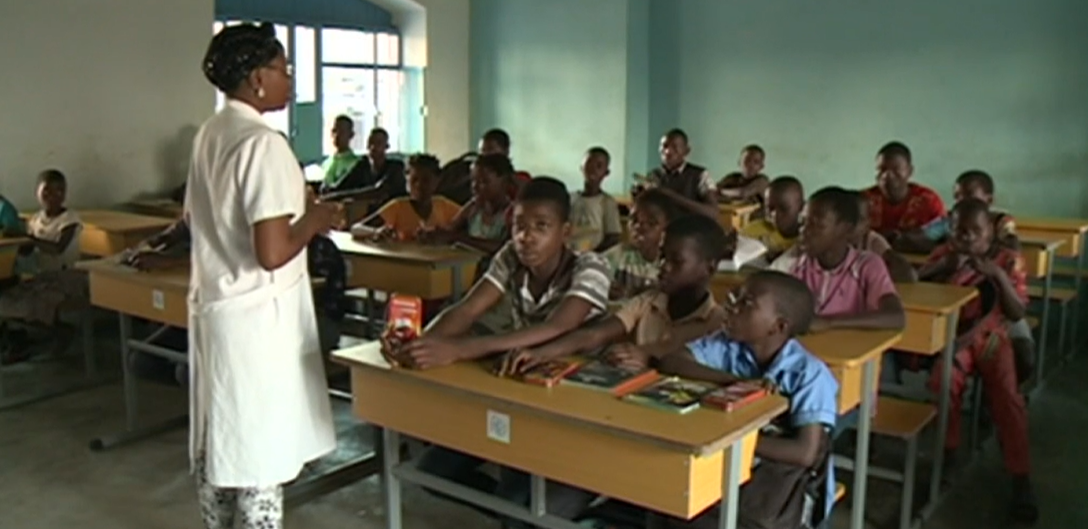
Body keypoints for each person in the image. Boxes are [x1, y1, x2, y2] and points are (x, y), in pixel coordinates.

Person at [385, 177, 611, 523]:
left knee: (524, 506)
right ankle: (521, 511)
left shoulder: (591, 267)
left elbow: (557, 326)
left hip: (579, 407)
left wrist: (459, 350)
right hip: (521, 389)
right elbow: (467, 310)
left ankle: (551, 508)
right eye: (519, 226)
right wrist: (419, 344)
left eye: (541, 227)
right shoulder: (510, 257)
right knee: (432, 471)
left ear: (565, 232)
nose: (526, 237)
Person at [188, 23, 341, 529]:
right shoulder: (262, 142)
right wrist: (317, 220)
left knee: (222, 441)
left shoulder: (211, 133)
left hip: (220, 309)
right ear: (257, 78)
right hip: (256, 320)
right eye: (283, 68)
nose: (290, 79)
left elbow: (197, 218)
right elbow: (272, 252)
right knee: (259, 455)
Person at [651, 271, 838, 529]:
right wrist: (734, 383)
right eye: (735, 297)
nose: (732, 306)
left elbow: (804, 453)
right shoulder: (727, 345)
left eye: (746, 303)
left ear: (778, 326)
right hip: (732, 473)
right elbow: (672, 361)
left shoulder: (809, 374)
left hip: (781, 492)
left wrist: (732, 443)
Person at [916, 198, 1037, 523]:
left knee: (1009, 401)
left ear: (990, 234)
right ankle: (948, 454)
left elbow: (1016, 312)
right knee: (942, 384)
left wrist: (996, 274)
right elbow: (915, 289)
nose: (967, 238)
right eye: (959, 231)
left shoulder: (1007, 259)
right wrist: (942, 268)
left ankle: (1020, 475)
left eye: (976, 232)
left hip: (992, 339)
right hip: (955, 340)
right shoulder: (944, 255)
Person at [503, 214, 727, 372]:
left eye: (676, 261)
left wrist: (647, 357)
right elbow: (593, 335)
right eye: (662, 256)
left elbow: (684, 362)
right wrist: (540, 353)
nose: (663, 266)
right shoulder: (647, 302)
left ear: (710, 268)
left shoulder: (719, 323)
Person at [772, 186, 905, 332]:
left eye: (816, 224)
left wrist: (829, 322)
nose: (804, 231)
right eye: (802, 222)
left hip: (854, 352)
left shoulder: (867, 265)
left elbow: (896, 317)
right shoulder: (797, 265)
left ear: (845, 229)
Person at [0, 170, 86, 360]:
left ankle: (60, 331)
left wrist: (27, 238)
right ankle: (53, 333)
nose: (53, 196)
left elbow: (58, 248)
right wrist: (15, 243)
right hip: (42, 277)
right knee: (9, 300)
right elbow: (28, 251)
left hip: (68, 277)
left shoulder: (70, 218)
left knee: (33, 304)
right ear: (37, 193)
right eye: (46, 191)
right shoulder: (35, 220)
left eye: (59, 191)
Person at [419, 153, 514, 255]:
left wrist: (459, 238)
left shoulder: (512, 212)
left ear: (504, 182)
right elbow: (450, 228)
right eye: (473, 181)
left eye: (483, 182)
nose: (475, 187)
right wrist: (433, 233)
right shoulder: (473, 207)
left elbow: (505, 247)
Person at [351, 153, 460, 241]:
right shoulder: (397, 207)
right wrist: (376, 232)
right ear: (407, 180)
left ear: (437, 180)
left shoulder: (443, 205)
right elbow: (356, 228)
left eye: (426, 180)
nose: (419, 185)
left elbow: (469, 218)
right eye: (414, 180)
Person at [861, 141, 945, 253]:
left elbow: (942, 239)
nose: (887, 176)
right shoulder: (864, 199)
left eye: (896, 170)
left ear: (909, 171)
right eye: (881, 169)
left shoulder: (929, 200)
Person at [602, 188, 681, 299]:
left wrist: (632, 294)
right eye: (634, 220)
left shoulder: (671, 265)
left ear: (667, 228)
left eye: (651, 223)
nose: (639, 227)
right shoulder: (619, 254)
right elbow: (593, 272)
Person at [638, 128, 719, 219]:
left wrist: (671, 196)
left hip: (690, 230)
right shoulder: (654, 175)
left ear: (686, 151)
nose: (668, 152)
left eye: (675, 147)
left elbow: (713, 213)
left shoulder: (700, 175)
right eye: (664, 146)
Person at [321, 127, 407, 203]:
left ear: (387, 146)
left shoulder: (396, 167)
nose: (373, 147)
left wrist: (337, 196)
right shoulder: (363, 165)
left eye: (378, 143)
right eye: (371, 143)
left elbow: (378, 192)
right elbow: (342, 186)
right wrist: (327, 191)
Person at [851, 191, 917, 283]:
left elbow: (908, 274)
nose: (853, 225)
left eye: (860, 219)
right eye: (848, 219)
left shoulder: (872, 241)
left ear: (868, 223)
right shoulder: (833, 241)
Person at [570, 146, 622, 252]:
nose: (593, 169)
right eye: (589, 164)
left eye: (599, 166)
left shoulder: (607, 202)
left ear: (606, 172)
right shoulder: (570, 199)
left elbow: (613, 237)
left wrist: (593, 255)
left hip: (596, 258)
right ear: (581, 167)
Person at [741, 176, 803, 262]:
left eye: (783, 209)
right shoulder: (752, 231)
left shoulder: (805, 240)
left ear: (801, 207)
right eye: (769, 208)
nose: (774, 215)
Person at [318, 115, 361, 190]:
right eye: (334, 131)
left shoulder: (356, 164)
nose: (337, 135)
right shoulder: (326, 163)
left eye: (342, 131)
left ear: (351, 135)